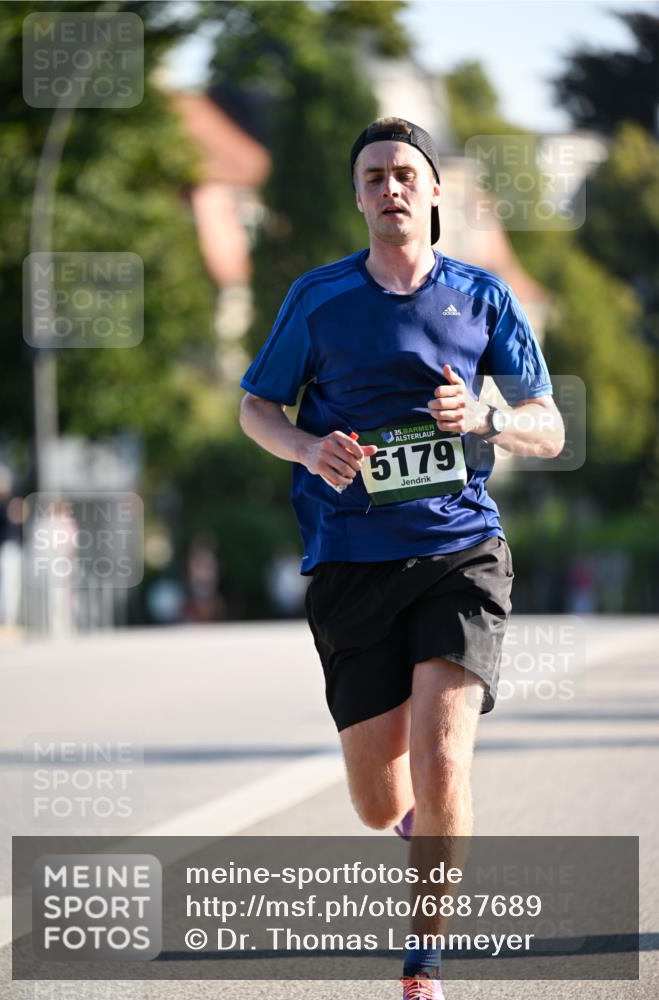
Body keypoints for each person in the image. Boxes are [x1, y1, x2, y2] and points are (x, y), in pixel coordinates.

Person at [239, 117, 564, 998]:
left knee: (444, 756)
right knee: (380, 799)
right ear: (358, 196)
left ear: (431, 192)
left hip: (459, 548)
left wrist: (488, 419)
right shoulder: (318, 298)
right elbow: (256, 408)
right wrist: (308, 451)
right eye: (374, 175)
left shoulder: (483, 296)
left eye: (404, 173)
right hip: (350, 558)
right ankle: (418, 828)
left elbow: (548, 423)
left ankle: (423, 961)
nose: (390, 187)